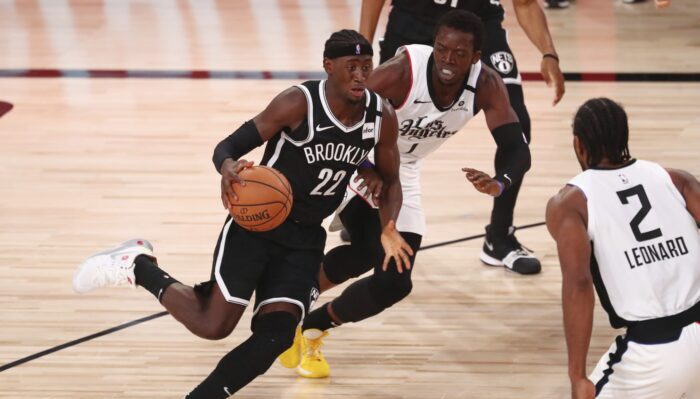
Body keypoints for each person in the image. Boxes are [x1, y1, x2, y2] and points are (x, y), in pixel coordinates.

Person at [71, 29, 413, 398]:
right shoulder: (298, 103)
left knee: (277, 335)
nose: (361, 75)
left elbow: (392, 182)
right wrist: (228, 167)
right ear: (329, 66)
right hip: (257, 227)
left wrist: (389, 227)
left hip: (305, 239)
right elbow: (229, 145)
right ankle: (137, 266)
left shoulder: (382, 116)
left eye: (366, 66)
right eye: (352, 67)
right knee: (213, 325)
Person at [278, 10, 533, 379]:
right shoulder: (402, 73)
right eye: (441, 49)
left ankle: (311, 325)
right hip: (358, 156)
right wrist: (366, 169)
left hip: (404, 169)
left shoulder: (488, 85)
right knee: (367, 249)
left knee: (395, 281)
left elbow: (517, 148)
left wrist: (500, 182)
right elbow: (338, 111)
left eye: (459, 54)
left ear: (476, 57)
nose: (447, 60)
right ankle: (285, 305)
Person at [358, 0, 565, 270]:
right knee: (379, 119)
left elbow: (524, 4)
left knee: (518, 127)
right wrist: (362, 51)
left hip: (478, 27)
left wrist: (549, 53)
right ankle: (365, 207)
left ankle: (499, 236)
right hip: (413, 21)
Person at [546, 98, 700, 399]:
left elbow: (579, 285)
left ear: (578, 144)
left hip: (654, 356)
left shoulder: (570, 204)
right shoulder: (675, 179)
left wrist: (577, 375)